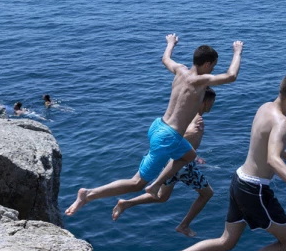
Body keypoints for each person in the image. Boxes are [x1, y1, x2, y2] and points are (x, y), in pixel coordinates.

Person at [153, 73, 286, 251]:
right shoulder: (284, 122)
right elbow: (272, 159)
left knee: (226, 241)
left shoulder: (265, 108)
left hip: (239, 180)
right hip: (255, 189)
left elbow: (264, 140)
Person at [65, 34, 243, 216]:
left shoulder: (180, 70)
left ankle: (156, 184)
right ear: (207, 64)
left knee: (190, 155)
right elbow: (231, 76)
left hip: (159, 125)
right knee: (136, 183)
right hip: (168, 136)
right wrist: (237, 52)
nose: (212, 70)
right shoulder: (199, 81)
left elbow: (165, 59)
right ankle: (89, 194)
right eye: (213, 66)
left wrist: (170, 43)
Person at [111, 88, 217, 237]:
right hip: (182, 165)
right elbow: (182, 138)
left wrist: (194, 155)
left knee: (162, 196)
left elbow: (180, 139)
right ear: (205, 102)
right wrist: (191, 140)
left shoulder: (187, 115)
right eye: (212, 102)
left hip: (171, 161)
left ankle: (126, 203)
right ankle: (184, 225)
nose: (213, 105)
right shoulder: (198, 121)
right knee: (207, 194)